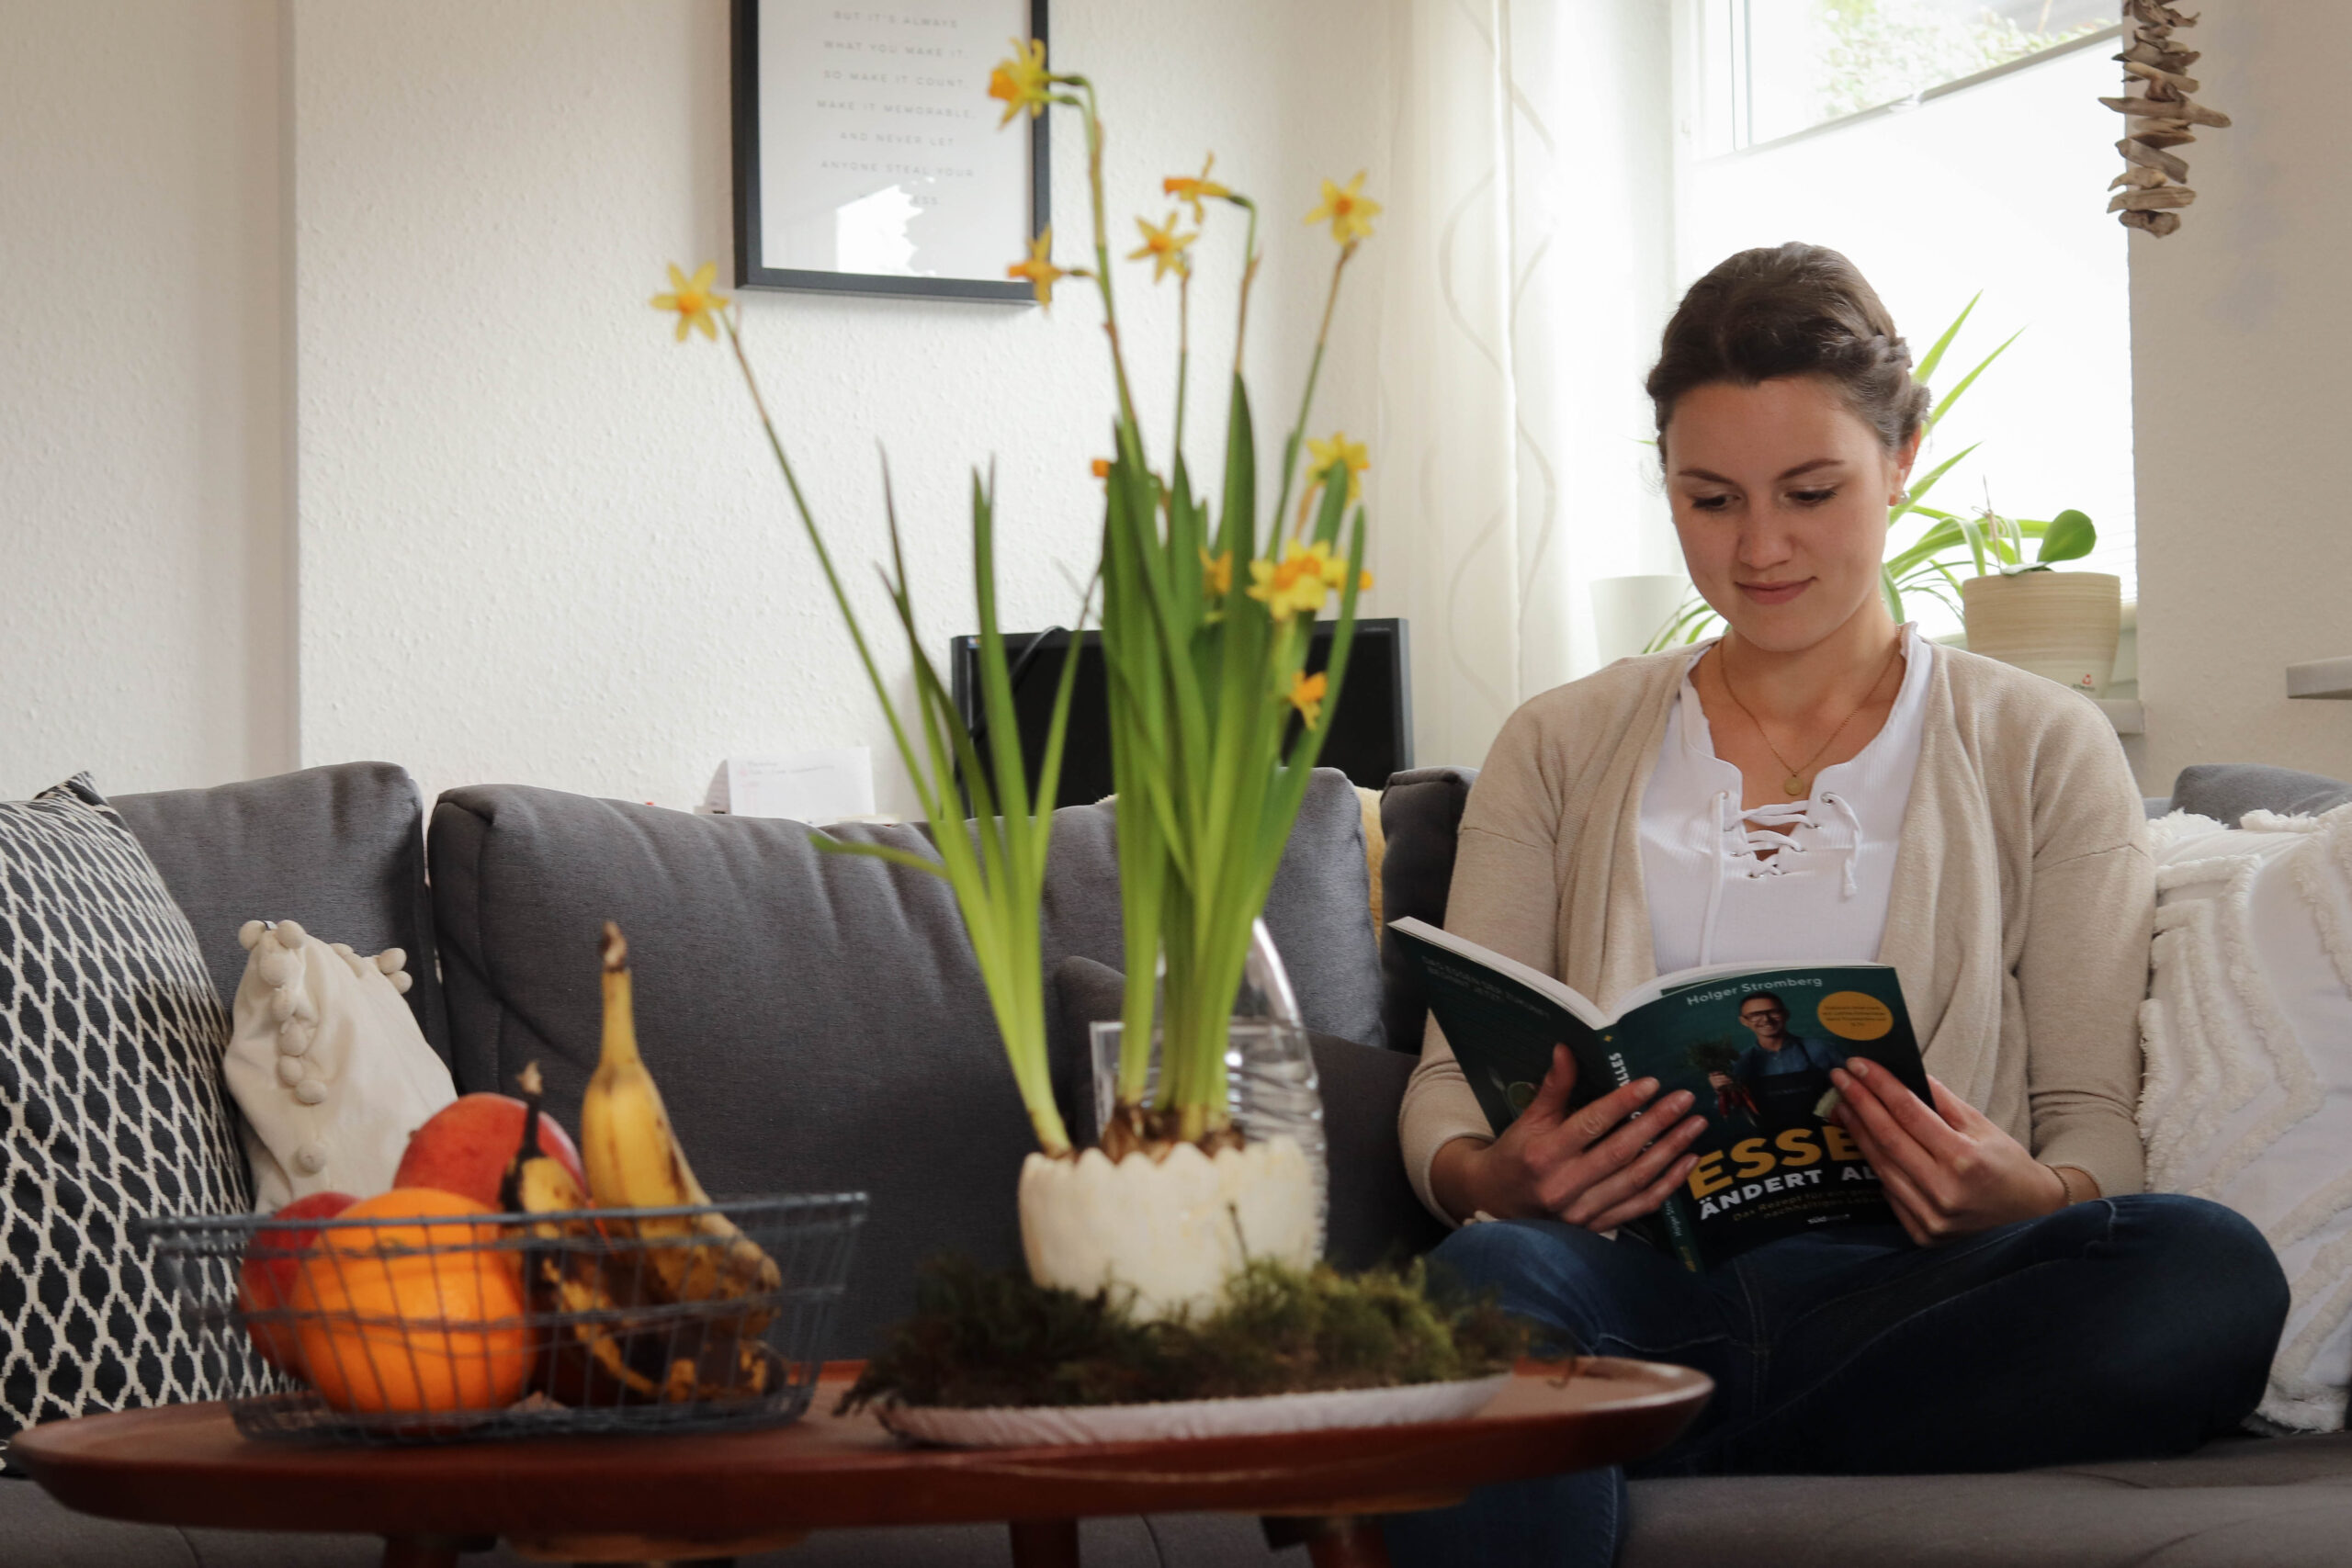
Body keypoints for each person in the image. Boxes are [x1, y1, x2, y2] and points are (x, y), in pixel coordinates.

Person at [1382, 243, 2290, 1568]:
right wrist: (1487, 1172)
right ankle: (1668, 1418)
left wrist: (2025, 1194)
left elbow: (2096, 1124)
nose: (1759, 547)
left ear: (1903, 453)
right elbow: (1448, 1081)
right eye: (1709, 499)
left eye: (1811, 491)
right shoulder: (1559, 741)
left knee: (2207, 1269)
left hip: (1918, 1293)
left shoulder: (2044, 742)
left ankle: (1660, 1439)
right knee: (1479, 1285)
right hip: (1626, 1281)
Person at [1714, 990, 1846, 1132]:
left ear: (1785, 1014)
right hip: (1773, 1140)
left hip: (1829, 1133)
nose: (1766, 1019)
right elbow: (1735, 1111)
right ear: (1744, 1021)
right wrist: (1721, 1091)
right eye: (1755, 1015)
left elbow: (1850, 1088)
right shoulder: (1739, 1062)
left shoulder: (1821, 1049)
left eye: (1773, 1012)